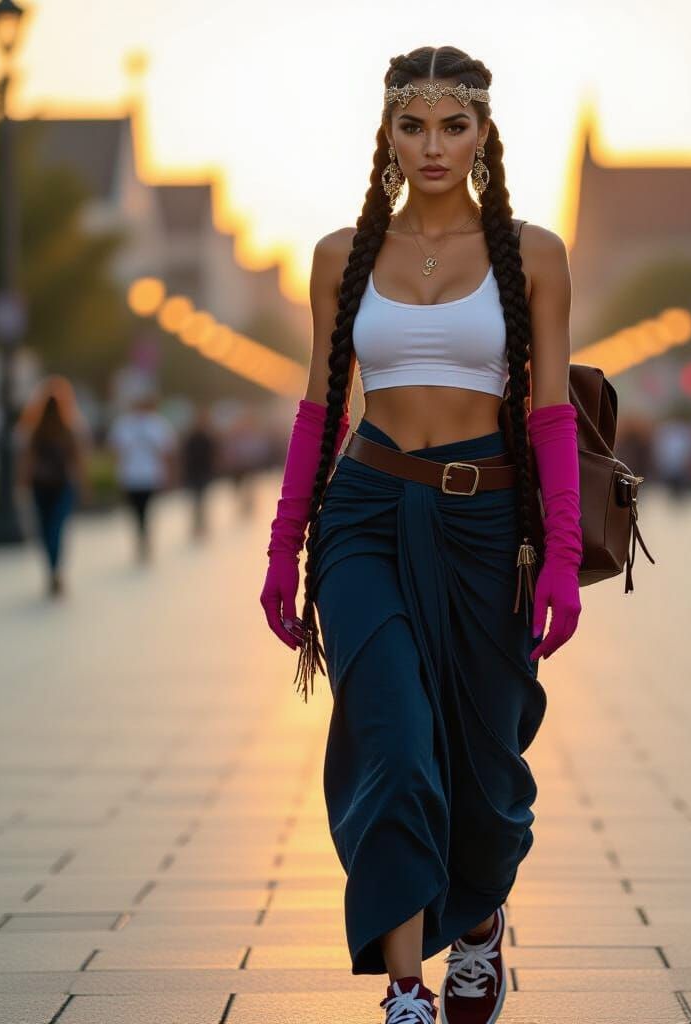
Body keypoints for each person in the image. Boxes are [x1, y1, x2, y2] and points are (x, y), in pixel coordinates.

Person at [259, 47, 583, 1024]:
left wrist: (561, 553)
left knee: (484, 762)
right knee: (392, 744)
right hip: (364, 513)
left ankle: (478, 925)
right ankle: (405, 989)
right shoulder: (338, 256)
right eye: (413, 125)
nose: (432, 145)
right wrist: (285, 548)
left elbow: (551, 413)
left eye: (453, 125)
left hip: (486, 524)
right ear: (386, 136)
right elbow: (319, 409)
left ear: (484, 133)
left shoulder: (535, 254)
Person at [16, 376, 92, 598]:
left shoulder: (38, 429)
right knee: (55, 529)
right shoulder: (65, 429)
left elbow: (27, 460)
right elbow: (77, 461)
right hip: (59, 485)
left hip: (43, 486)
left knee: (46, 529)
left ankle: (52, 570)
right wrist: (84, 486)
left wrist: (22, 483)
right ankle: (55, 569)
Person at [106, 389, 177, 564]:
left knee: (143, 511)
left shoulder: (153, 423)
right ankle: (143, 538)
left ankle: (143, 538)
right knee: (140, 512)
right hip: (137, 476)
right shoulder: (130, 424)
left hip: (144, 476)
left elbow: (166, 452)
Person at [180, 406, 220, 540]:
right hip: (194, 472)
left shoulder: (208, 436)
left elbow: (214, 455)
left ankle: (201, 525)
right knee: (196, 500)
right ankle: (198, 525)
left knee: (201, 499)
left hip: (203, 472)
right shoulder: (191, 437)